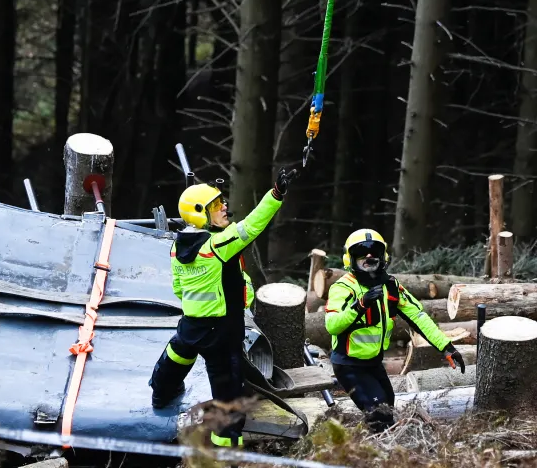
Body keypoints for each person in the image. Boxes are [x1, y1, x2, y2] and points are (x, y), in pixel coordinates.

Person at [148, 167, 298, 448]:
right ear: (200, 214)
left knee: (177, 355)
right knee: (228, 390)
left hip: (191, 324)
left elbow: (180, 289)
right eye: (216, 205)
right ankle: (226, 445)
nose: (224, 207)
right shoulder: (217, 246)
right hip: (221, 331)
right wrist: (276, 194)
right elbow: (253, 225)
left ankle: (160, 393)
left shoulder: (177, 247)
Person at [325, 228, 466, 433]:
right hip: (349, 364)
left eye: (374, 253)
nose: (369, 258)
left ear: (384, 258)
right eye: (362, 254)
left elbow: (418, 316)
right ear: (351, 259)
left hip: (374, 362)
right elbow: (332, 325)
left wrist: (446, 346)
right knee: (379, 413)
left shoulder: (390, 286)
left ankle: (372, 449)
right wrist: (359, 306)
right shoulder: (343, 288)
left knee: (387, 406)